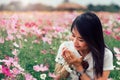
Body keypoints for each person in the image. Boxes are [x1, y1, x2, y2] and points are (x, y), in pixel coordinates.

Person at [54, 12, 114, 80]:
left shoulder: (105, 55)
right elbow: (58, 77)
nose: (74, 42)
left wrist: (78, 66)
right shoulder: (66, 47)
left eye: (81, 39)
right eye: (73, 35)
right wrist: (68, 63)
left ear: (93, 39)